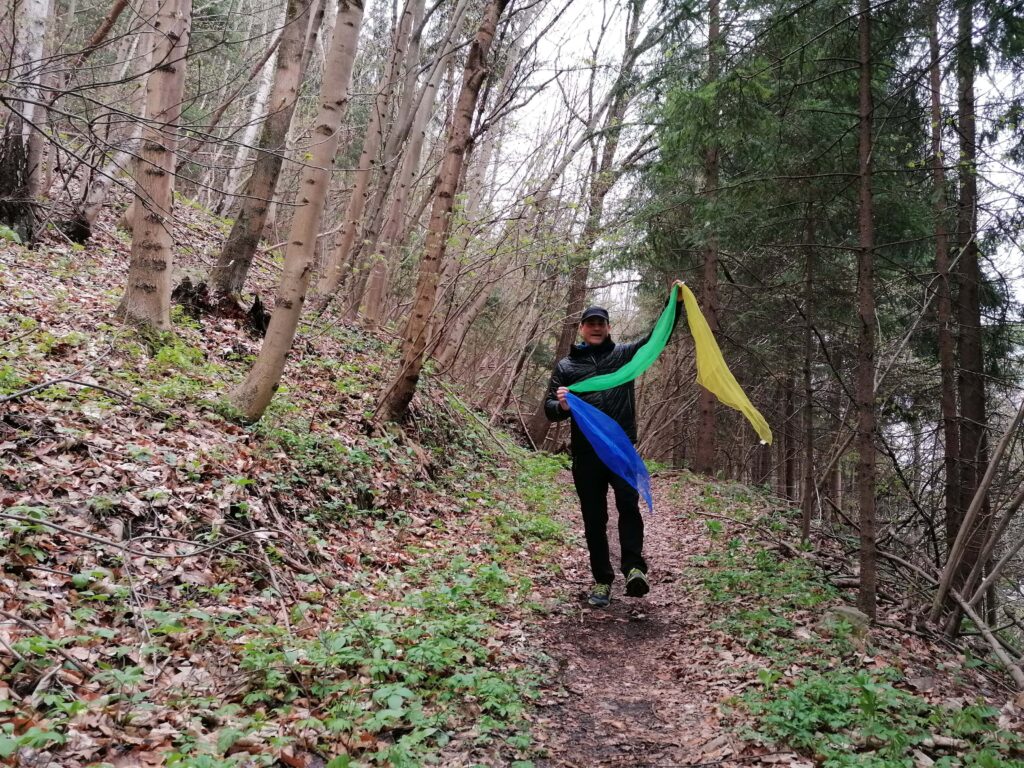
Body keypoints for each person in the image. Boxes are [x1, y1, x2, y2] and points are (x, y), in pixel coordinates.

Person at [543, 283, 684, 608]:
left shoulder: (623, 357)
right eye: (590, 324)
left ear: (608, 328)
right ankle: (602, 580)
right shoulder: (567, 368)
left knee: (628, 507)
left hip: (620, 451)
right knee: (594, 519)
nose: (595, 328)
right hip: (586, 454)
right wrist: (562, 406)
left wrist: (673, 304)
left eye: (600, 324)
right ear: (582, 329)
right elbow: (549, 410)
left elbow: (655, 339)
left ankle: (634, 567)